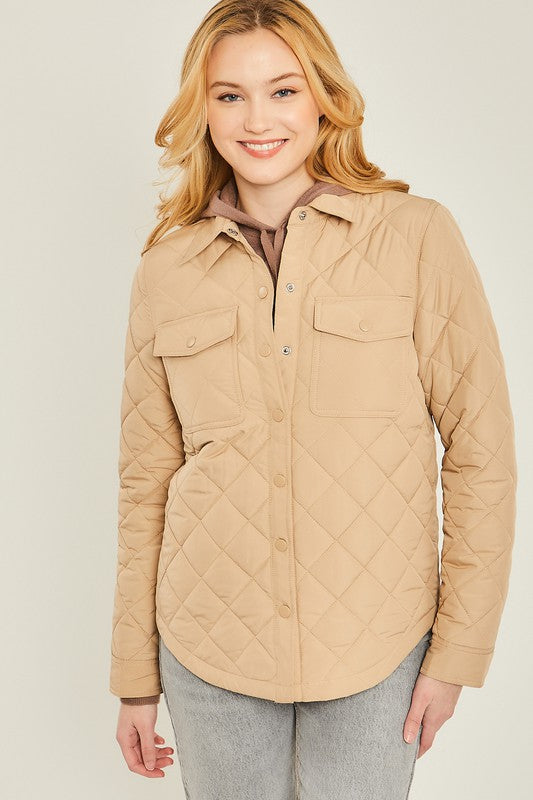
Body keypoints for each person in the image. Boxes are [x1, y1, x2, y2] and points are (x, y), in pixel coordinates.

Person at [109, 1, 517, 797]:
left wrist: (457, 653)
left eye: (283, 90)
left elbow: (481, 455)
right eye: (229, 95)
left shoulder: (414, 236)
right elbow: (144, 481)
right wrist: (133, 675)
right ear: (202, 110)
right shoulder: (166, 270)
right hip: (208, 644)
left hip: (377, 642)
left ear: (324, 98)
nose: (257, 119)